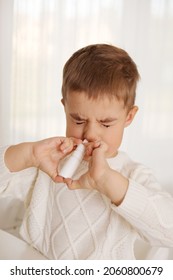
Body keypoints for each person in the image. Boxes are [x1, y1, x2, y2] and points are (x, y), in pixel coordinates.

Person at [0, 44, 173, 260]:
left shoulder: (133, 175)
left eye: (106, 123)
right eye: (78, 120)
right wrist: (29, 155)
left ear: (129, 117)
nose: (91, 134)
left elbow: (168, 231)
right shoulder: (49, 164)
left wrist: (108, 181)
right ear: (65, 107)